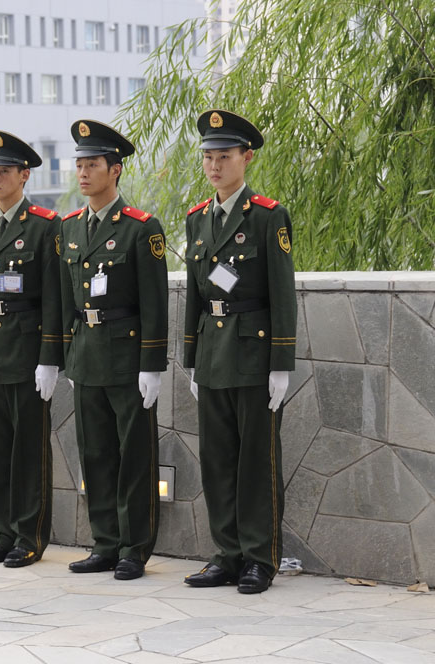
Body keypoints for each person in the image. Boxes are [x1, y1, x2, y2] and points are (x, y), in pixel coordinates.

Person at [181, 110, 297, 594]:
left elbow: (282, 294)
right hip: (213, 354)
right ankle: (227, 553)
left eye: (223, 156)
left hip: (253, 353)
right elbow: (193, 293)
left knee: (256, 462)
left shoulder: (268, 216)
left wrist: (281, 365)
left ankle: (259, 558)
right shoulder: (196, 219)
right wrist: (190, 358)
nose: (214, 165)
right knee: (217, 458)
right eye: (208, 157)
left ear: (245, 158)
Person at [59, 120, 168, 579]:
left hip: (126, 358)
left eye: (93, 165)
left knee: (133, 457)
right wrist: (67, 353)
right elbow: (67, 300)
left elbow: (155, 303)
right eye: (79, 165)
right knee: (96, 454)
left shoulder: (141, 228)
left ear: (115, 169)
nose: (83, 173)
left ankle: (133, 547)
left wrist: (152, 364)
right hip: (87, 355)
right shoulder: (67, 229)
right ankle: (104, 542)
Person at [0, 131, 63, 568]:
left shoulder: (43, 225)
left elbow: (56, 297)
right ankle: (3, 532)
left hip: (26, 347)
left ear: (24, 176)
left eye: (4, 171)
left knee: (28, 451)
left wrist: (49, 357)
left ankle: (29, 535)